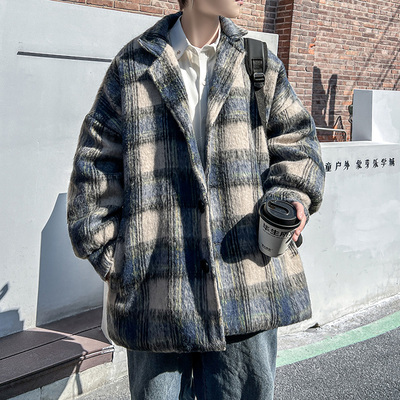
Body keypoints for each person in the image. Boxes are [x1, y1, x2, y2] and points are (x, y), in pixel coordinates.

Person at [67, 0, 325, 398]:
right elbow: (95, 165)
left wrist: (291, 197)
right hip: (155, 293)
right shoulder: (134, 66)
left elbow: (297, 142)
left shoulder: (257, 62)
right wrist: (120, 263)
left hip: (245, 282)